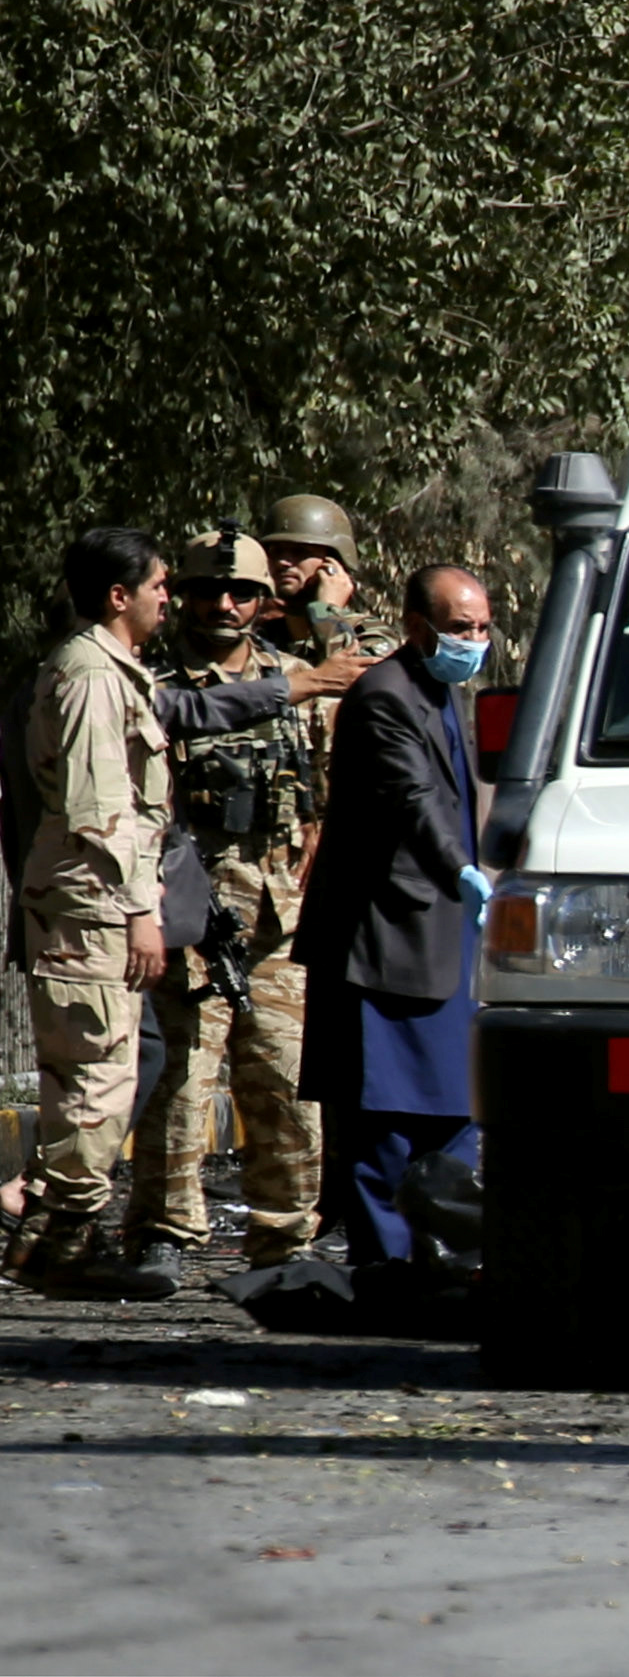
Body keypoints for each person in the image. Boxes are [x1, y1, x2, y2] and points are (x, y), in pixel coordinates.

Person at [119, 527, 333, 1290]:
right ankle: (164, 1231)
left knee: (283, 1078)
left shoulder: (301, 678)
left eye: (240, 591)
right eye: (207, 589)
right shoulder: (150, 681)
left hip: (278, 916)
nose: (222, 604)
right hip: (188, 911)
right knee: (181, 1078)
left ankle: (285, 1237)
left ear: (264, 601)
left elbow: (327, 781)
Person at [293, 564, 495, 1267]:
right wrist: (462, 871)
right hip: (386, 940)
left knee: (452, 1112)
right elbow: (415, 801)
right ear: (416, 626)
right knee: (384, 1123)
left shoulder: (444, 692)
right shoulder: (386, 695)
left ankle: (440, 1265)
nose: (475, 640)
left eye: (481, 627)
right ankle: (388, 1270)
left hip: (443, 942)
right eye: (460, 627)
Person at [3, 530, 179, 1300]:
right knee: (97, 1075)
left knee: (99, 1068)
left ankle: (50, 1241)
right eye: (159, 584)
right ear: (119, 595)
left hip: (91, 892)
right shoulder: (88, 676)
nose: (167, 597)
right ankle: (63, 1242)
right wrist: (140, 909)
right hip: (92, 897)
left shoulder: (111, 671)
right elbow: (98, 808)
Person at [259, 494, 399, 661]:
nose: (283, 562)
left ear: (335, 563)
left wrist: (325, 612)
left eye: (300, 552)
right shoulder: (259, 638)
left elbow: (349, 677)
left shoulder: (367, 634)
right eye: (275, 552)